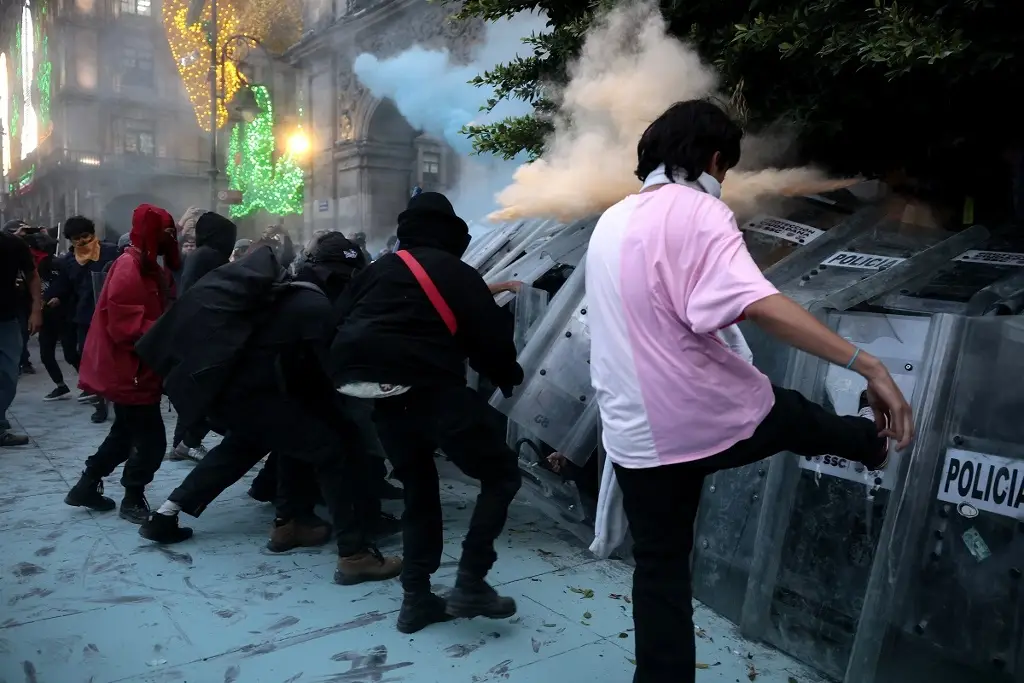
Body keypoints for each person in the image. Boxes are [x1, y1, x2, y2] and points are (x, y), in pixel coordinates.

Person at [584, 100, 914, 683]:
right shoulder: (700, 213)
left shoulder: (611, 220)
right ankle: (873, 444)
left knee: (660, 572)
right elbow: (760, 305)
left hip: (633, 434)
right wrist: (871, 366)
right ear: (715, 159)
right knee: (789, 415)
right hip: (698, 417)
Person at [139, 234, 402, 586]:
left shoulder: (287, 293)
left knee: (268, 447)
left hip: (240, 397)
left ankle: (278, 525)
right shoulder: (314, 307)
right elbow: (335, 372)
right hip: (259, 398)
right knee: (332, 451)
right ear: (339, 276)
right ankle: (355, 555)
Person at [331, 191, 525, 634]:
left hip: (383, 400)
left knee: (419, 489)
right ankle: (472, 580)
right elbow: (491, 345)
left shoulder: (376, 270)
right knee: (500, 476)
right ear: (450, 233)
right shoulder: (457, 273)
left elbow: (337, 320)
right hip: (436, 395)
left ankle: (416, 600)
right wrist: (507, 373)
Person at [63, 204, 181, 523]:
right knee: (151, 440)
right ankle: (132, 496)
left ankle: (86, 485)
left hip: (138, 369)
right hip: (131, 372)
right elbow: (124, 325)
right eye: (166, 232)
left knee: (124, 434)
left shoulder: (146, 265)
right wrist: (167, 334)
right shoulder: (130, 267)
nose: (172, 238)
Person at [168, 211, 237, 462]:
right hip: (204, 331)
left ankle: (183, 443)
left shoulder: (203, 255)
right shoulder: (208, 256)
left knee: (200, 392)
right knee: (208, 393)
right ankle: (188, 442)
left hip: (198, 329)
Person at [47, 216, 119, 410]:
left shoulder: (111, 251)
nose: (81, 242)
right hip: (85, 316)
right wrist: (54, 297)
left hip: (110, 313)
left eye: (85, 236)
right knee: (83, 355)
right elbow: (64, 285)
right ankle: (98, 400)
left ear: (93, 234)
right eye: (75, 239)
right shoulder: (69, 261)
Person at [0, 221, 42, 445]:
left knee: (8, 375)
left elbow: (32, 275)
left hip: (6, 319)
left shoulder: (12, 245)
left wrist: (37, 309)